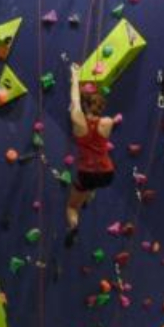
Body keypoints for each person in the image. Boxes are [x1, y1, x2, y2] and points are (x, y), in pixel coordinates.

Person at [65, 62, 115, 248]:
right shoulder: (108, 122)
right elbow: (84, 105)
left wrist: (75, 76)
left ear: (85, 106)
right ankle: (89, 195)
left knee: (71, 207)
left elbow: (75, 100)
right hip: (107, 173)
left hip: (87, 173)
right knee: (94, 185)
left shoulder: (78, 121)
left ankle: (74, 225)